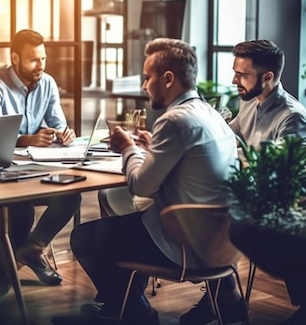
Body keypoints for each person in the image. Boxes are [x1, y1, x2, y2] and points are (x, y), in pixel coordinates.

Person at [52, 38, 241, 325]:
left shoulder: (174, 120)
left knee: (87, 238)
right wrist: (152, 149)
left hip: (185, 247)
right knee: (127, 227)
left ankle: (137, 313)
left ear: (167, 79)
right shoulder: (210, 115)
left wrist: (128, 147)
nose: (143, 86)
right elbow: (188, 166)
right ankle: (119, 309)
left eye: (146, 77)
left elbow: (141, 186)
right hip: (223, 244)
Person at [182, 39, 306, 325]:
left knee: (211, 220)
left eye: (242, 74)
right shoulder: (248, 100)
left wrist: (231, 152)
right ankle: (222, 296)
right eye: (235, 72)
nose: (234, 80)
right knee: (196, 210)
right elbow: (231, 133)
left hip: (282, 204)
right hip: (243, 193)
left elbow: (280, 174)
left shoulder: (292, 118)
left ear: (268, 77)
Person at [0, 29, 80, 294]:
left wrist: (64, 133)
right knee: (21, 205)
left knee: (71, 196)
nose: (41, 65)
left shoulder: (47, 83)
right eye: (34, 60)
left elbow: (58, 123)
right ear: (15, 58)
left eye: (43, 58)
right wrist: (27, 139)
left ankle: (27, 252)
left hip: (37, 167)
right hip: (4, 170)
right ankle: (16, 263)